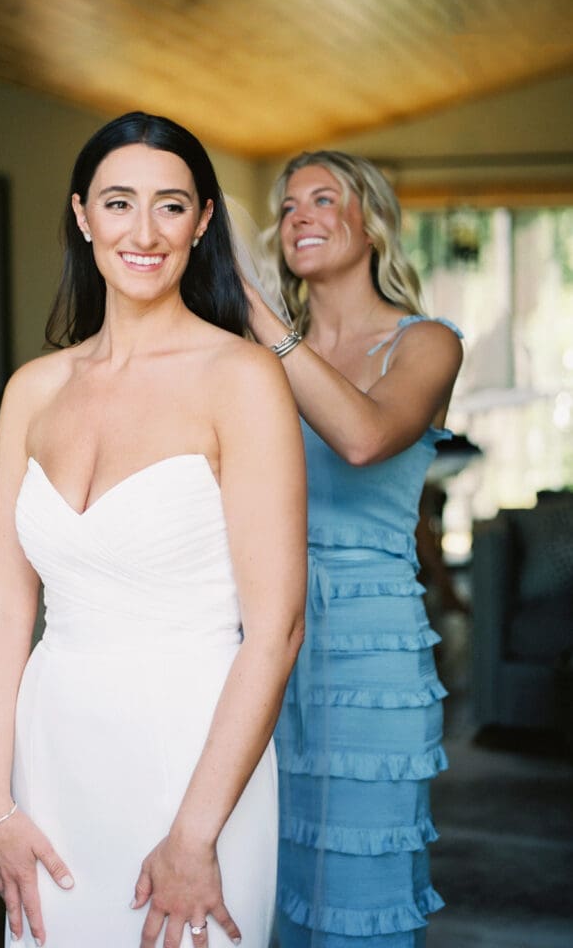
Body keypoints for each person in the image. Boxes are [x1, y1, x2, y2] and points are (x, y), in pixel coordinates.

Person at [0, 111, 307, 948]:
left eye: (170, 205)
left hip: (193, 756)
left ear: (202, 221)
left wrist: (194, 834)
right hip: (51, 759)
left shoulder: (243, 378)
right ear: (83, 217)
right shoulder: (34, 390)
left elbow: (277, 628)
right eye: (119, 204)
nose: (144, 231)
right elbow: (5, 607)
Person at [242, 151, 464, 948]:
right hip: (253, 634)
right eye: (288, 204)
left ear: (369, 222)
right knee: (258, 872)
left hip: (370, 652)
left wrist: (260, 324)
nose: (299, 214)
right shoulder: (253, 357)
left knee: (356, 886)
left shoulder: (427, 343)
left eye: (322, 199)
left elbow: (365, 439)